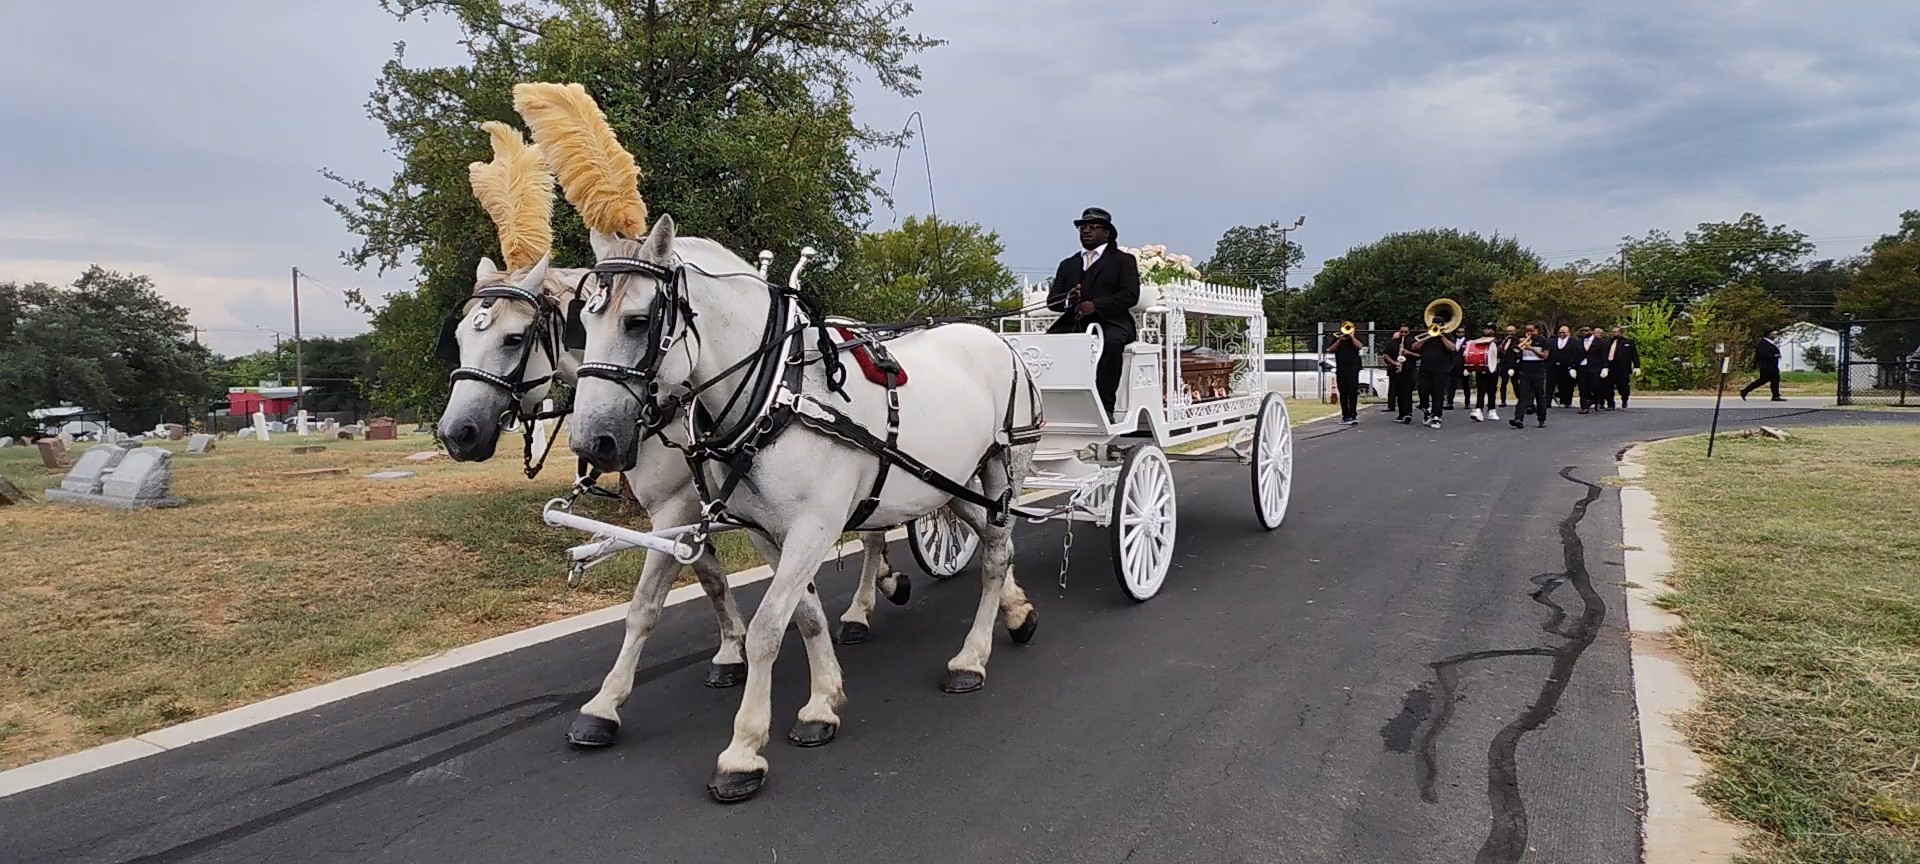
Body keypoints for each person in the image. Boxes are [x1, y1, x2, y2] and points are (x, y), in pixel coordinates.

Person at [1046, 207, 1140, 413]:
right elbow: (1053, 301)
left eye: (1092, 227)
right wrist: (1070, 299)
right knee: (1048, 343)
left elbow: (1130, 295)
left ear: (1107, 233)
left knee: (1110, 343)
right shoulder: (1068, 264)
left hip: (1113, 321)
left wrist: (1096, 305)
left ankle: (1105, 406)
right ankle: (1054, 402)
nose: (1085, 231)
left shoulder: (1123, 261)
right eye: (1082, 227)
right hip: (1075, 321)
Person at [1412, 326, 1458, 427]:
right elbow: (1414, 347)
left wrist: (1441, 337)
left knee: (1438, 394)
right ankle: (1426, 408)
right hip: (1425, 369)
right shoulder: (1426, 337)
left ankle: (1437, 416)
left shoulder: (1447, 337)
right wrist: (1426, 338)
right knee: (1422, 391)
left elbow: (1453, 348)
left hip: (1441, 370)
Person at [1510, 323, 1551, 428]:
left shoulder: (1543, 341)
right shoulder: (1523, 340)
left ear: (1537, 330)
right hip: (1525, 372)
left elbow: (1545, 356)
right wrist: (1520, 347)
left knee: (1539, 396)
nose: (1529, 333)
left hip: (1538, 372)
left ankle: (1541, 419)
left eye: (1531, 331)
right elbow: (1516, 353)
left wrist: (1531, 349)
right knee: (1523, 396)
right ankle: (1518, 418)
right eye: (1527, 331)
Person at [1327, 326, 1365, 424]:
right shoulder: (1337, 339)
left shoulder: (1355, 338)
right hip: (1341, 369)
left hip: (1353, 369)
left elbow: (1359, 346)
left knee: (1353, 393)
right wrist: (1340, 339)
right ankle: (1345, 415)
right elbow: (1331, 349)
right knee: (1343, 393)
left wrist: (1351, 337)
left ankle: (1353, 414)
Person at [1467, 324, 1501, 422]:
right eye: (1485, 328)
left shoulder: (1497, 342)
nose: (1486, 330)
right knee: (1481, 389)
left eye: (1489, 328)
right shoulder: (1479, 341)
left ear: (1493, 331)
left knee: (1492, 390)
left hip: (1493, 368)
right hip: (1481, 367)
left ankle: (1491, 410)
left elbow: (1501, 353)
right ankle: (1479, 409)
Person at [1741, 329, 1786, 401]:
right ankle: (1745, 391)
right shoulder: (1763, 344)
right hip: (1766, 366)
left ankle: (1775, 395)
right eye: (1773, 334)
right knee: (1765, 380)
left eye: (1776, 334)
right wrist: (1774, 355)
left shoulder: (1771, 343)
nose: (1775, 336)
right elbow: (1762, 353)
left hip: (1773, 365)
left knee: (1773, 380)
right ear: (1768, 334)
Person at [1604, 326, 1639, 409]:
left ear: (1620, 333)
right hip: (1609, 368)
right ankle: (1610, 403)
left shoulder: (1628, 342)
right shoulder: (1606, 343)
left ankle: (1625, 399)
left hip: (1622, 369)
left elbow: (1634, 355)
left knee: (1623, 386)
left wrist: (1637, 366)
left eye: (1615, 332)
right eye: (1612, 332)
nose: (1612, 333)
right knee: (1608, 387)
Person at [1576, 326, 1607, 414]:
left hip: (1595, 367)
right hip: (1582, 367)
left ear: (1591, 331)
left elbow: (1603, 356)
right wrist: (1573, 367)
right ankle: (1584, 407)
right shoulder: (1579, 342)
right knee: (1582, 388)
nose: (1584, 332)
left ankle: (1596, 401)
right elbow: (1575, 355)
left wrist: (1605, 367)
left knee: (1595, 386)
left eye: (1586, 331)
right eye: (1582, 331)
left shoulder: (1600, 342)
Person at [1549, 324, 1578, 407]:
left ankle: (1567, 402)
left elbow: (1575, 354)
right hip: (1554, 366)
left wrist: (1572, 366)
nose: (1562, 334)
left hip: (1567, 366)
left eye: (1564, 332)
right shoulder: (1553, 341)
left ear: (1568, 333)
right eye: (1560, 332)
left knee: (1567, 385)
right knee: (1551, 384)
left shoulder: (1573, 341)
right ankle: (1548, 402)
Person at [1497, 324, 1521, 407]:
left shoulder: (1518, 341)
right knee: (1503, 383)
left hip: (1514, 364)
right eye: (1508, 331)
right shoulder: (1503, 340)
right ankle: (1503, 401)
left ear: (1515, 331)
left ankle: (1519, 399)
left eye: (1511, 331)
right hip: (1504, 364)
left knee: (1515, 383)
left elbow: (1518, 352)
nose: (1510, 333)